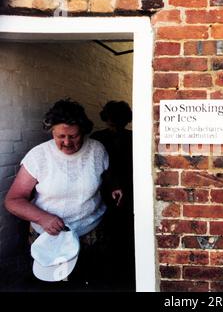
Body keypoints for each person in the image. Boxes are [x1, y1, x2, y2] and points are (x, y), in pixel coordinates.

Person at [4, 98, 122, 291]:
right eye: (61, 136)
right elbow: (13, 200)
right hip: (50, 236)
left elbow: (106, 173)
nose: (67, 142)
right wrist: (42, 218)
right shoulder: (38, 156)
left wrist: (114, 186)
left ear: (83, 131)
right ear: (51, 131)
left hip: (90, 233)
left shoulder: (97, 150)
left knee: (90, 282)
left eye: (74, 136)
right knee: (55, 285)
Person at [91, 100, 135, 291]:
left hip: (128, 187)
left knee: (124, 227)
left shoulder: (133, 137)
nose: (114, 123)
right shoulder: (97, 138)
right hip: (104, 188)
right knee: (106, 227)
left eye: (119, 119)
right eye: (111, 118)